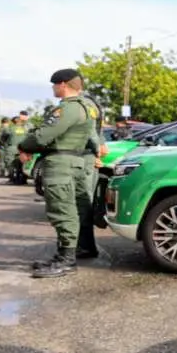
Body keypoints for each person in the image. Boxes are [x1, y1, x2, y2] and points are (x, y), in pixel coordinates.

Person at [18, 69, 97, 278]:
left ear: (62, 84)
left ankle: (66, 260)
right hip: (76, 161)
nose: (53, 88)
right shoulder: (88, 107)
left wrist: (23, 146)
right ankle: (84, 247)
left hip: (61, 163)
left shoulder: (67, 109)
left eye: (54, 85)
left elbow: (44, 135)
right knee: (80, 207)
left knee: (62, 209)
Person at [76, 93, 108, 259]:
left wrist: (96, 150)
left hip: (83, 157)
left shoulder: (83, 103)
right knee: (82, 202)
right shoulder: (89, 102)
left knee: (82, 203)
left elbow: (90, 129)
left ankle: (86, 246)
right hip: (85, 157)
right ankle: (84, 245)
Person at [7, 112, 30, 184]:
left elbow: (3, 137)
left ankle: (12, 179)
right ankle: (23, 179)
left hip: (12, 147)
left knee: (10, 164)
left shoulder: (10, 129)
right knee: (23, 164)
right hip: (23, 148)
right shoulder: (26, 129)